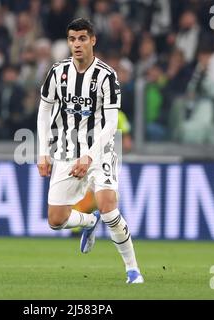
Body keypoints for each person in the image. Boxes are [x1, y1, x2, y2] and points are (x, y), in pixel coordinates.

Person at [36, 18, 143, 284]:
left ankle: (133, 271)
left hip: (101, 151)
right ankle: (87, 221)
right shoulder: (57, 72)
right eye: (72, 39)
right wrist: (42, 151)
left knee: (108, 207)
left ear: (93, 40)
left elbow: (109, 124)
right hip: (66, 150)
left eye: (82, 38)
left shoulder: (106, 75)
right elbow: (45, 108)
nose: (77, 44)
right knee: (55, 220)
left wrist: (90, 156)